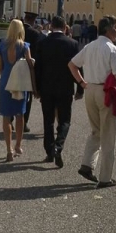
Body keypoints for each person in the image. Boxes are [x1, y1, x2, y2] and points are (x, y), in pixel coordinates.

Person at [68, 15, 116, 189]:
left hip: (90, 89)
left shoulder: (90, 46)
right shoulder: (113, 50)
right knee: (108, 135)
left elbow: (72, 65)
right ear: (108, 29)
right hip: (105, 91)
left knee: (96, 130)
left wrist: (82, 83)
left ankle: (87, 164)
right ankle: (105, 177)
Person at [35, 16, 83, 168]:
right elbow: (78, 67)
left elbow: (38, 68)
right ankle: (58, 146)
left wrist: (36, 89)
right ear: (64, 27)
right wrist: (80, 88)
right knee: (65, 121)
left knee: (48, 121)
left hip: (46, 88)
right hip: (65, 88)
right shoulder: (72, 44)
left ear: (50, 26)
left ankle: (50, 152)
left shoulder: (43, 43)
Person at [0, 18, 36, 162]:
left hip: (5, 83)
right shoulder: (24, 46)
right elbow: (29, 66)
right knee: (20, 115)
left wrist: (6, 77)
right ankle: (18, 145)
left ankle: (9, 150)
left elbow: (0, 67)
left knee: (6, 117)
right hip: (20, 84)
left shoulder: (2, 45)